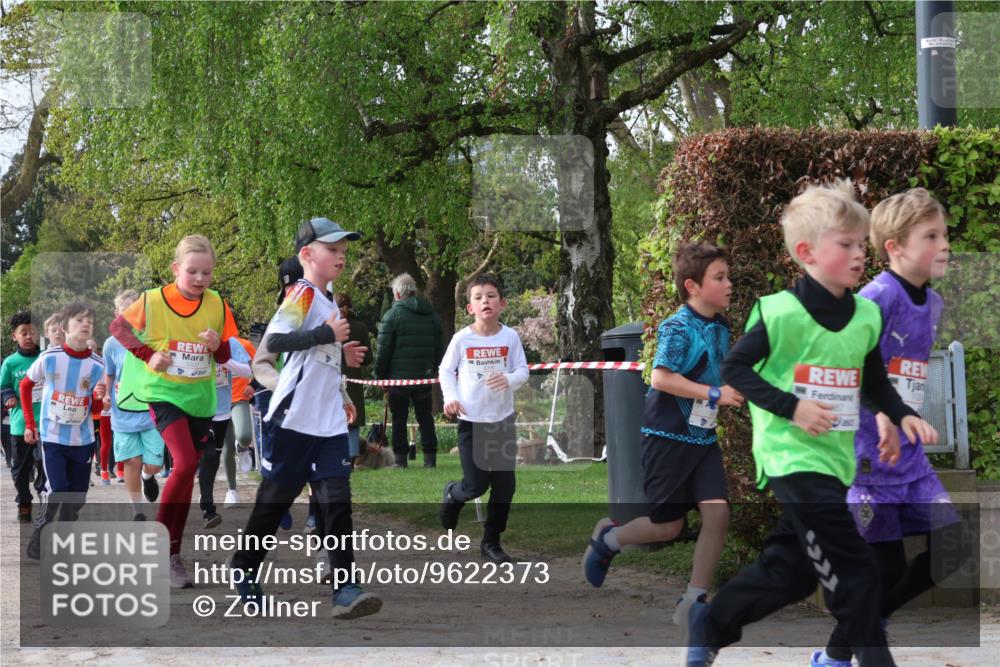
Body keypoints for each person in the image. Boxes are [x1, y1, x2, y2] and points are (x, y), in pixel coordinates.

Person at [686, 179, 940, 667]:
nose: (858, 254)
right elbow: (734, 369)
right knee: (859, 570)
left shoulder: (866, 315)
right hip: (790, 456)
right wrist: (793, 407)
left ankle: (713, 621)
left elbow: (874, 383)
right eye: (844, 245)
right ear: (807, 252)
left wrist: (902, 415)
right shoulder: (781, 313)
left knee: (792, 572)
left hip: (834, 461)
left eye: (860, 244)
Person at [811, 188, 970, 667]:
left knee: (953, 547)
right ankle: (839, 655)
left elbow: (905, 369)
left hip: (910, 457)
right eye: (931, 236)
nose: (944, 244)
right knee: (884, 567)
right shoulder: (878, 296)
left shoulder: (934, 305)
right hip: (868, 457)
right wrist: (882, 414)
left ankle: (860, 629)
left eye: (944, 234)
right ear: (895, 247)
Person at [581, 243, 743, 633]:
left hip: (702, 441)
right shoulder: (677, 326)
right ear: (693, 286)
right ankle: (609, 540)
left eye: (728, 276)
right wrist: (714, 394)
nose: (729, 284)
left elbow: (716, 375)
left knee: (717, 513)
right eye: (719, 278)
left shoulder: (721, 326)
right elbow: (660, 377)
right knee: (667, 527)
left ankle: (694, 600)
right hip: (667, 439)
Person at [229, 217, 380, 619]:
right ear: (307, 255)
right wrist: (326, 337)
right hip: (293, 420)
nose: (341, 256)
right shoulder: (302, 293)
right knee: (273, 502)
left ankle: (345, 588)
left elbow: (315, 355)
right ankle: (244, 567)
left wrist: (340, 365)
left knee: (337, 504)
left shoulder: (328, 302)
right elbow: (275, 343)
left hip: (327, 423)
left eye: (344, 250)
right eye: (332, 249)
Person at [110, 234, 239, 588]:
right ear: (175, 269)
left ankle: (171, 552)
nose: (200, 279)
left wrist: (216, 347)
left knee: (186, 475)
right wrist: (149, 354)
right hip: (163, 394)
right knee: (185, 463)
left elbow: (226, 356)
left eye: (207, 273)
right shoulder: (152, 300)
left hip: (200, 400)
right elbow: (118, 328)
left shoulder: (217, 303)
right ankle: (166, 554)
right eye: (192, 272)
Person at [437, 273, 529, 564]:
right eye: (478, 297)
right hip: (472, 422)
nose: (484, 301)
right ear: (470, 308)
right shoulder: (462, 339)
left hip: (502, 420)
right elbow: (445, 371)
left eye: (490, 296)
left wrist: (509, 379)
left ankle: (491, 542)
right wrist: (450, 397)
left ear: (501, 303)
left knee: (505, 485)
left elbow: (522, 371)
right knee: (476, 485)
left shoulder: (510, 336)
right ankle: (453, 494)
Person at [20, 302, 106, 559]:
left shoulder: (97, 364)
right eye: (79, 320)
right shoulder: (50, 358)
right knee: (59, 489)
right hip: (53, 437)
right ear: (64, 328)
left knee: (77, 497)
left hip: (83, 439)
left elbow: (97, 406)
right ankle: (41, 534)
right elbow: (26, 386)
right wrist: (29, 423)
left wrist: (100, 397)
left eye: (89, 321)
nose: (85, 325)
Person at [104, 289, 165, 521]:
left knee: (152, 465)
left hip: (152, 411)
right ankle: (137, 510)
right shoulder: (111, 344)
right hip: (123, 413)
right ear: (117, 314)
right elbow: (109, 373)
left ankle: (148, 478)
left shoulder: (154, 338)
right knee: (131, 461)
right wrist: (107, 395)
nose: (131, 315)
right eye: (125, 311)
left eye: (135, 309)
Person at [374, 272, 445, 468]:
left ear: (397, 294)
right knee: (425, 417)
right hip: (424, 376)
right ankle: (430, 459)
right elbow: (441, 346)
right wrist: (435, 370)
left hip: (398, 379)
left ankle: (400, 460)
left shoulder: (391, 316)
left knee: (399, 418)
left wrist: (379, 377)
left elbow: (383, 351)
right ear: (414, 292)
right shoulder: (432, 316)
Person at [197, 334, 252, 527]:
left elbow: (252, 369)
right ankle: (218, 500)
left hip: (229, 404)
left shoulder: (234, 343)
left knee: (237, 440)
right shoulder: (191, 337)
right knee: (211, 454)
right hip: (199, 407)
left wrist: (224, 360)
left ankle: (244, 447)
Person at [1, 311, 41, 523]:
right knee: (20, 470)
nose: (28, 336)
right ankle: (24, 502)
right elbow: (4, 386)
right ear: (14, 336)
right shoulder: (10, 362)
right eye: (23, 333)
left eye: (32, 332)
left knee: (45, 468)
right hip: (20, 425)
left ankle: (44, 500)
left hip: (45, 423)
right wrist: (8, 396)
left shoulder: (46, 358)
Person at [335, 293, 372, 462]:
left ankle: (337, 455)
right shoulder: (360, 328)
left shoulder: (331, 327)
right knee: (353, 418)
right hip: (354, 375)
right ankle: (352, 454)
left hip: (334, 374)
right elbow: (368, 357)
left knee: (335, 415)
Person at [223, 334, 257, 506]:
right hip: (218, 402)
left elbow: (260, 367)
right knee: (226, 448)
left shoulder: (244, 345)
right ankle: (232, 491)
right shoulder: (208, 344)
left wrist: (253, 385)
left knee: (244, 435)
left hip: (239, 398)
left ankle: (242, 446)